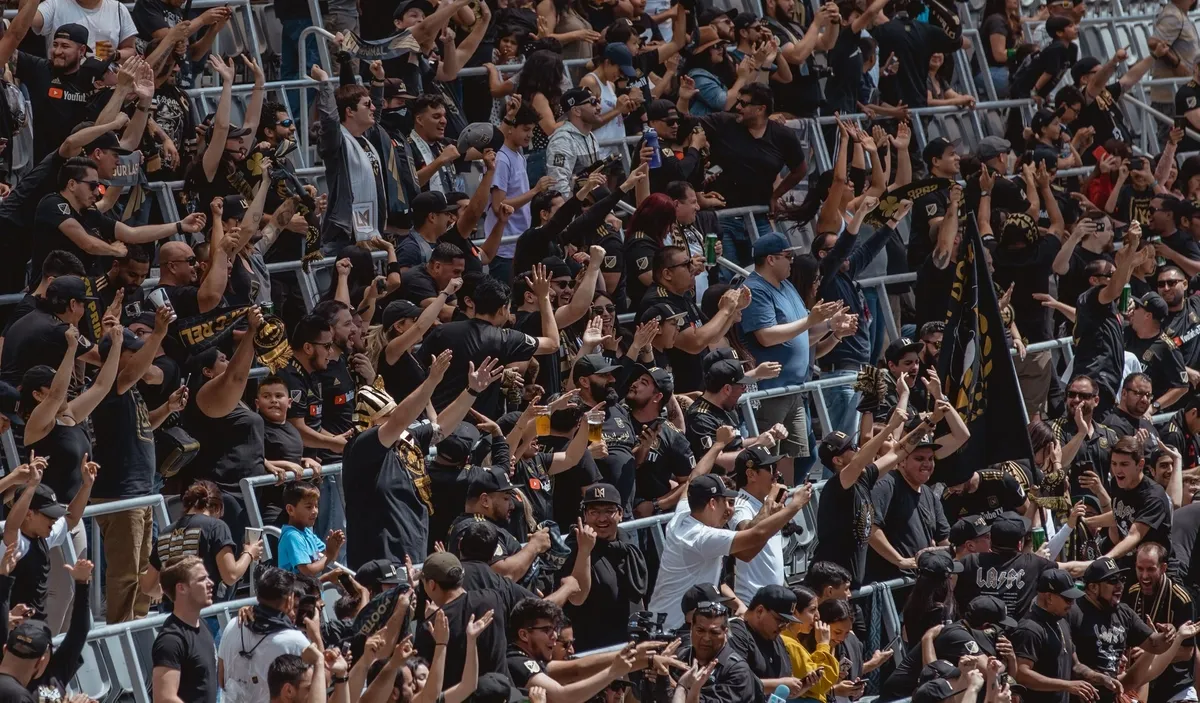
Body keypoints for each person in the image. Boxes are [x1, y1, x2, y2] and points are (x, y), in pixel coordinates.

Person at [646, 473, 813, 631]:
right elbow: (755, 537)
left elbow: (694, 475)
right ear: (712, 503)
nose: (728, 509)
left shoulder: (682, 514)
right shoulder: (701, 536)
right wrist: (794, 505)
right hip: (673, 627)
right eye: (724, 501)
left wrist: (738, 604)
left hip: (667, 620)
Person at [90, 311, 174, 625]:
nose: (140, 357)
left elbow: (142, 427)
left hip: (139, 492)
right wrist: (159, 335)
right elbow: (133, 371)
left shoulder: (128, 391)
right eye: (132, 352)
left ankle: (135, 624)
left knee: (143, 568)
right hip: (119, 494)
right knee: (126, 572)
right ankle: (121, 631)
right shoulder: (110, 383)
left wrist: (167, 408)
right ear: (115, 357)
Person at [740, 232, 839, 484]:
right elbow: (765, 336)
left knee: (793, 460)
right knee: (767, 459)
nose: (792, 261)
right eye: (788, 256)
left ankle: (787, 514)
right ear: (771, 259)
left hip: (794, 389)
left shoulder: (787, 286)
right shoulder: (755, 289)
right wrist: (810, 320)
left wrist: (831, 326)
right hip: (770, 391)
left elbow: (805, 333)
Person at [814, 400, 925, 588]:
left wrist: (928, 424)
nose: (857, 448)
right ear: (838, 460)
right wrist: (890, 426)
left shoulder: (863, 478)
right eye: (851, 448)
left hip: (851, 587)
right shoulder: (837, 485)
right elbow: (858, 462)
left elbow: (899, 452)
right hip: (829, 587)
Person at [1069, 557, 1181, 700]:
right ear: (1093, 587)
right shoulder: (1074, 612)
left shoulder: (1123, 612)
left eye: (1121, 579)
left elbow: (1155, 645)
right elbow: (1070, 665)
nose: (1120, 585)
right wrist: (1097, 677)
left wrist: (1169, 633)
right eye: (1112, 581)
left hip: (1111, 696)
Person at [561, 483, 648, 653]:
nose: (602, 519)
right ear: (584, 516)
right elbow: (577, 597)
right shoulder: (574, 546)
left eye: (609, 511)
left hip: (630, 642)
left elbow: (637, 593)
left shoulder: (626, 542)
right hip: (594, 648)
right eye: (594, 512)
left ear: (621, 514)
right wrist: (585, 550)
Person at [953, 513, 1089, 620]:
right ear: (1019, 543)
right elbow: (1072, 569)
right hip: (1015, 640)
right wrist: (1107, 558)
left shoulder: (969, 561)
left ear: (992, 540)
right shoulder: (1033, 564)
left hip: (974, 638)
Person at [504, 598, 637, 700]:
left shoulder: (533, 660)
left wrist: (643, 657)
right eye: (546, 630)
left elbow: (578, 669)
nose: (554, 636)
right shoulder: (517, 661)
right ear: (524, 635)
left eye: (555, 630)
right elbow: (563, 697)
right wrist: (613, 672)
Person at [216, 568, 310, 703]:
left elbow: (221, 678)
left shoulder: (232, 625)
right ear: (289, 600)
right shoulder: (295, 641)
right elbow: (317, 683)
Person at [1121, 542, 1196, 703]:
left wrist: (1151, 652)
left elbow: (1187, 652)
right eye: (1140, 569)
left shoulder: (1181, 599)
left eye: (1150, 569)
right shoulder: (1132, 593)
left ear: (1163, 568)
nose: (1144, 576)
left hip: (1174, 686)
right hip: (1138, 684)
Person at [1082, 437, 1174, 559]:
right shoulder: (1117, 483)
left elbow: (1134, 535)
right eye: (1114, 463)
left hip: (1154, 567)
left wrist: (1106, 559)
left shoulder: (1153, 496)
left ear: (1140, 464)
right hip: (1129, 560)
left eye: (1124, 464)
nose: (1117, 470)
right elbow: (1119, 515)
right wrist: (1085, 522)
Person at [1009, 568, 1089, 703]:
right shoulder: (1030, 629)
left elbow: (1075, 666)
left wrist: (1101, 678)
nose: (1072, 604)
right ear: (1049, 597)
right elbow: (1021, 674)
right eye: (1068, 599)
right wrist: (1066, 685)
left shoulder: (1062, 621)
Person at [727, 584, 814, 698]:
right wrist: (779, 684)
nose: (783, 627)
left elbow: (783, 692)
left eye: (787, 623)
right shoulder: (736, 633)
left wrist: (802, 685)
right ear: (760, 611)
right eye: (780, 620)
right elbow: (736, 683)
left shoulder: (776, 639)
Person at [151, 555, 218, 703]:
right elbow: (164, 699)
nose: (210, 583)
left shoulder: (202, 624)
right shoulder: (171, 640)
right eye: (202, 579)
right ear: (181, 588)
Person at [673, 602, 763, 702]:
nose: (706, 638)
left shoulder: (737, 671)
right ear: (691, 628)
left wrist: (680, 687)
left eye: (714, 632)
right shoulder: (679, 657)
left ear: (725, 633)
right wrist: (661, 674)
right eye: (700, 630)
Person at [545, 88, 603, 199]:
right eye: (593, 102)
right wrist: (574, 210)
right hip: (575, 211)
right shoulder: (562, 141)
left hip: (591, 207)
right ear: (576, 111)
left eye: (598, 102)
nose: (599, 107)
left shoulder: (591, 136)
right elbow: (558, 186)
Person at [277, 482, 343, 577]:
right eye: (309, 507)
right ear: (290, 510)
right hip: (296, 591)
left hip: (312, 590)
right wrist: (330, 553)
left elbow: (327, 558)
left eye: (316, 506)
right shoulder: (292, 536)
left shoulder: (307, 532)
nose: (315, 511)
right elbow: (308, 570)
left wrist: (334, 546)